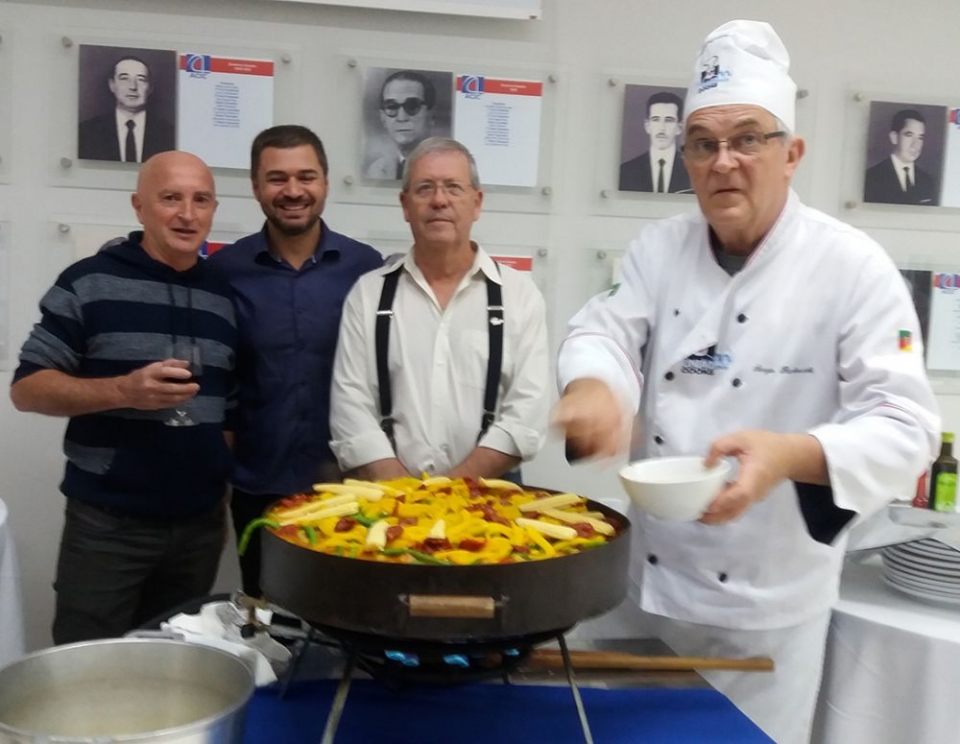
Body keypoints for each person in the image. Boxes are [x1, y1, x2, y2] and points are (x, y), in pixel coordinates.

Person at [553, 20, 939, 744]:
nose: (723, 161)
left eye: (747, 139)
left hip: (765, 612)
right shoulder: (659, 248)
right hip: (644, 589)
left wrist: (788, 454)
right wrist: (594, 386)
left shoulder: (853, 268)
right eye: (703, 143)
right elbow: (602, 332)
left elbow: (906, 429)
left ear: (791, 154)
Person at [10, 151, 237, 644]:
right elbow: (27, 390)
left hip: (197, 528)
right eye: (170, 198)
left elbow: (228, 411)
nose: (187, 214)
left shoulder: (225, 295)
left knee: (177, 666)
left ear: (214, 209)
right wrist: (123, 390)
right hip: (108, 527)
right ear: (139, 206)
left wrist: (219, 499)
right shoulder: (89, 281)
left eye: (201, 200)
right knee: (88, 665)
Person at [205, 125, 382, 597]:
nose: (293, 191)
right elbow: (217, 386)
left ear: (325, 181)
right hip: (258, 485)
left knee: (352, 614)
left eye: (306, 176)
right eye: (277, 178)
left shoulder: (367, 268)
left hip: (351, 486)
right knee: (267, 616)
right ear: (255, 186)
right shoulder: (223, 272)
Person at [331, 137, 548, 482]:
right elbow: (350, 409)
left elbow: (526, 414)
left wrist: (451, 492)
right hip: (391, 496)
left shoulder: (519, 295)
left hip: (490, 496)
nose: (439, 200)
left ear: (477, 203)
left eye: (453, 187)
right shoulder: (368, 295)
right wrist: (409, 496)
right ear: (405, 205)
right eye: (425, 188)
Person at [78, 55, 175, 163]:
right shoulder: (86, 132)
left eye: (141, 79)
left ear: (150, 88)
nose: (133, 87)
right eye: (124, 78)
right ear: (112, 85)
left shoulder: (169, 134)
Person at [365, 71, 438, 180]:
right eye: (392, 106)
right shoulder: (375, 171)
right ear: (383, 118)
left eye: (412, 106)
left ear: (431, 115)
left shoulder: (449, 167)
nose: (401, 117)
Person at [619, 91, 691, 193]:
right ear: (647, 126)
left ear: (679, 128)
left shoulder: (693, 171)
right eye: (656, 119)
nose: (662, 128)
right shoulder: (626, 171)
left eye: (669, 120)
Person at [863, 108, 939, 205]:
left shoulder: (927, 180)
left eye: (920, 138)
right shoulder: (871, 178)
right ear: (894, 137)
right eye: (909, 135)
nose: (915, 145)